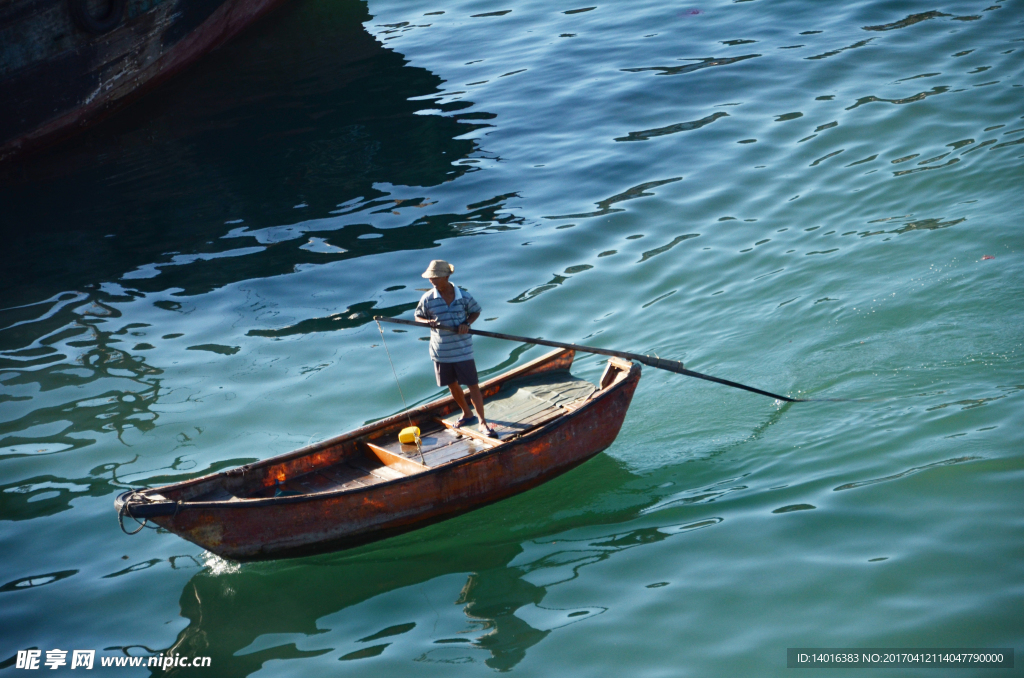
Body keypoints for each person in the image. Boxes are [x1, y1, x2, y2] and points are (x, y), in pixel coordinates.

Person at [414, 260, 496, 437]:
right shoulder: (428, 298)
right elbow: (418, 317)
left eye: (436, 277)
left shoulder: (463, 296)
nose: (432, 281)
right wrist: (427, 322)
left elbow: (476, 311)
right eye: (430, 278)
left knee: (473, 385)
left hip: (462, 349)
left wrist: (467, 323)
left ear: (446, 276)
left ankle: (482, 422)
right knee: (452, 385)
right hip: (441, 351)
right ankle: (467, 413)